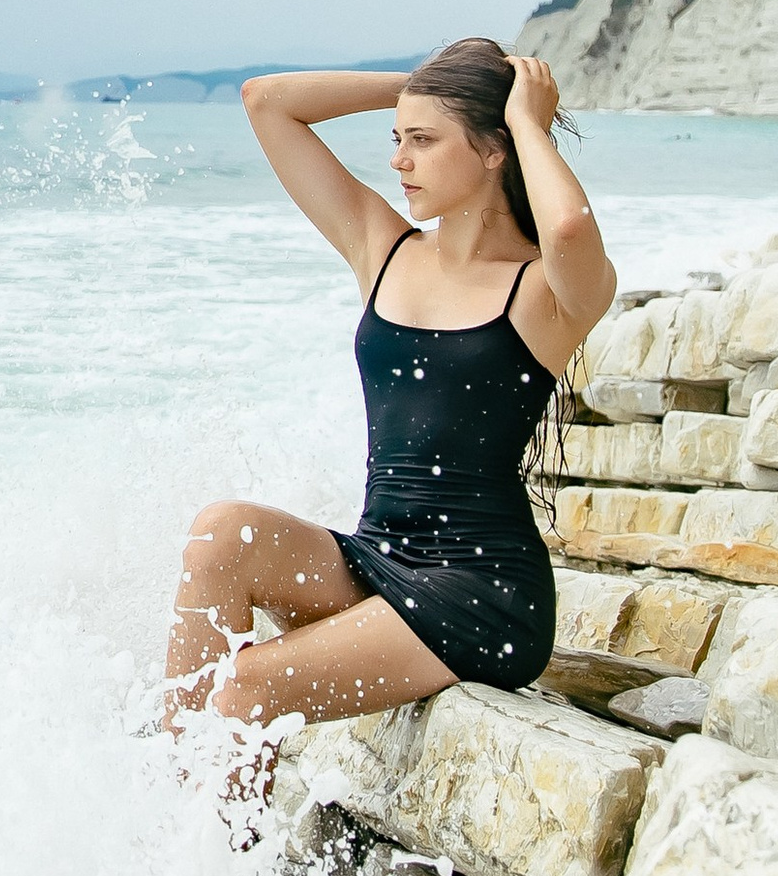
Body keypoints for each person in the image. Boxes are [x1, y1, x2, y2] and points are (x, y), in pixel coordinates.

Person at [163, 38, 613, 735]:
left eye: (423, 141)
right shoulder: (385, 248)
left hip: (483, 593)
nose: (400, 160)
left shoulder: (545, 293)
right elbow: (267, 102)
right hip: (378, 559)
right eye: (397, 139)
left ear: (494, 151)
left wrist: (524, 117)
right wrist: (423, 90)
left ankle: (203, 803)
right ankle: (172, 784)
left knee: (247, 685)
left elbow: (571, 225)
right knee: (221, 532)